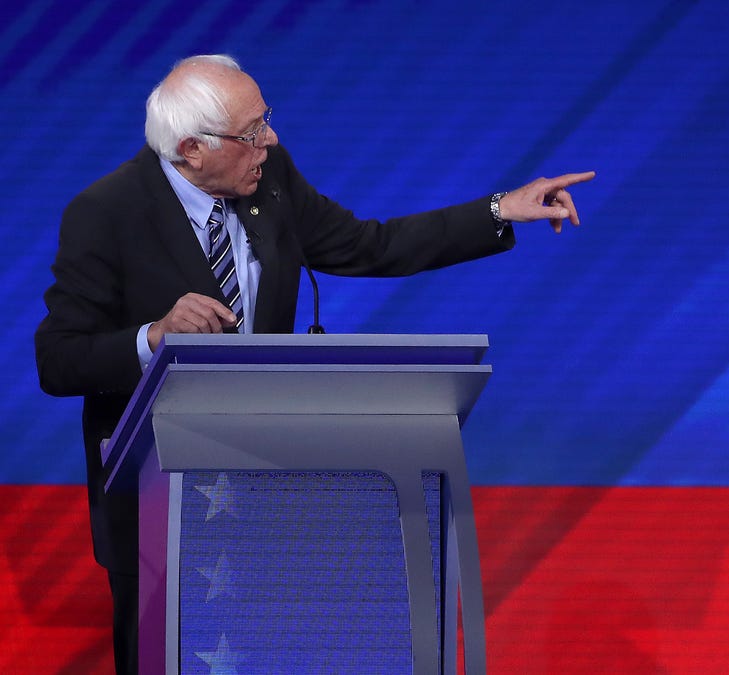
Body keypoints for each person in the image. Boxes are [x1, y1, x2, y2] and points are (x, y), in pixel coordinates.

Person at [33, 54, 593, 674]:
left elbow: (369, 245)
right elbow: (58, 359)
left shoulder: (268, 181)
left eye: (265, 121)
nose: (269, 140)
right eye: (251, 132)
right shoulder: (106, 213)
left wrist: (498, 211)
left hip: (267, 483)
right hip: (160, 502)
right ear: (191, 148)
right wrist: (152, 336)